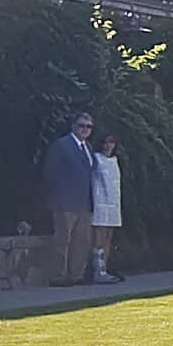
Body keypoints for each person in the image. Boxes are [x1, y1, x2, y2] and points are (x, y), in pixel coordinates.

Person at [39, 109, 96, 287]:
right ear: (73, 126)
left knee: (81, 242)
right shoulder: (61, 145)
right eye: (82, 125)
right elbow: (50, 173)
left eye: (89, 126)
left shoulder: (88, 148)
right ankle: (58, 276)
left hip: (84, 203)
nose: (85, 129)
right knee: (62, 241)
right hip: (64, 202)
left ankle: (76, 275)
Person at [87, 130, 125, 282]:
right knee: (99, 236)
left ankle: (106, 267)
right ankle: (98, 270)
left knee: (109, 236)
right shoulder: (96, 159)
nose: (108, 145)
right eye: (105, 142)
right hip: (100, 202)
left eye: (111, 142)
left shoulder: (115, 160)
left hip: (113, 203)